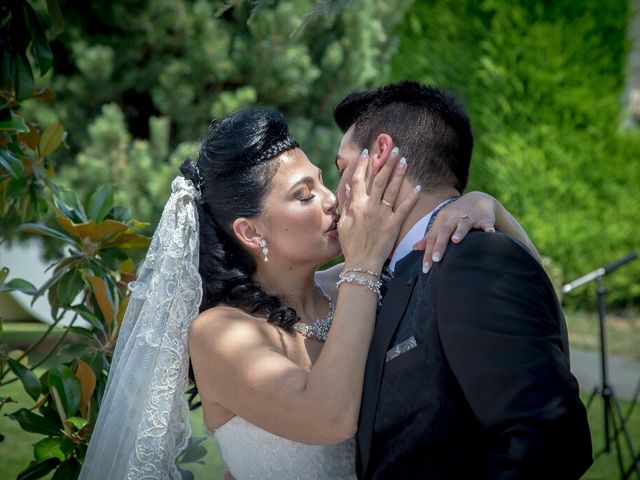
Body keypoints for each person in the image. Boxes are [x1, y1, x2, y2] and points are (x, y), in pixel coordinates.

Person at [79, 107, 540, 479]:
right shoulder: (218, 332)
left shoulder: (351, 288)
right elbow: (330, 417)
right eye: (304, 195)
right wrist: (362, 263)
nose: (332, 199)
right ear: (250, 231)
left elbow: (528, 310)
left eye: (323, 180)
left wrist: (488, 209)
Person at [332, 81, 593, 479]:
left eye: (343, 167)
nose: (336, 195)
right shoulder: (382, 274)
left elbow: (549, 439)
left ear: (380, 155)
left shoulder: (475, 259)